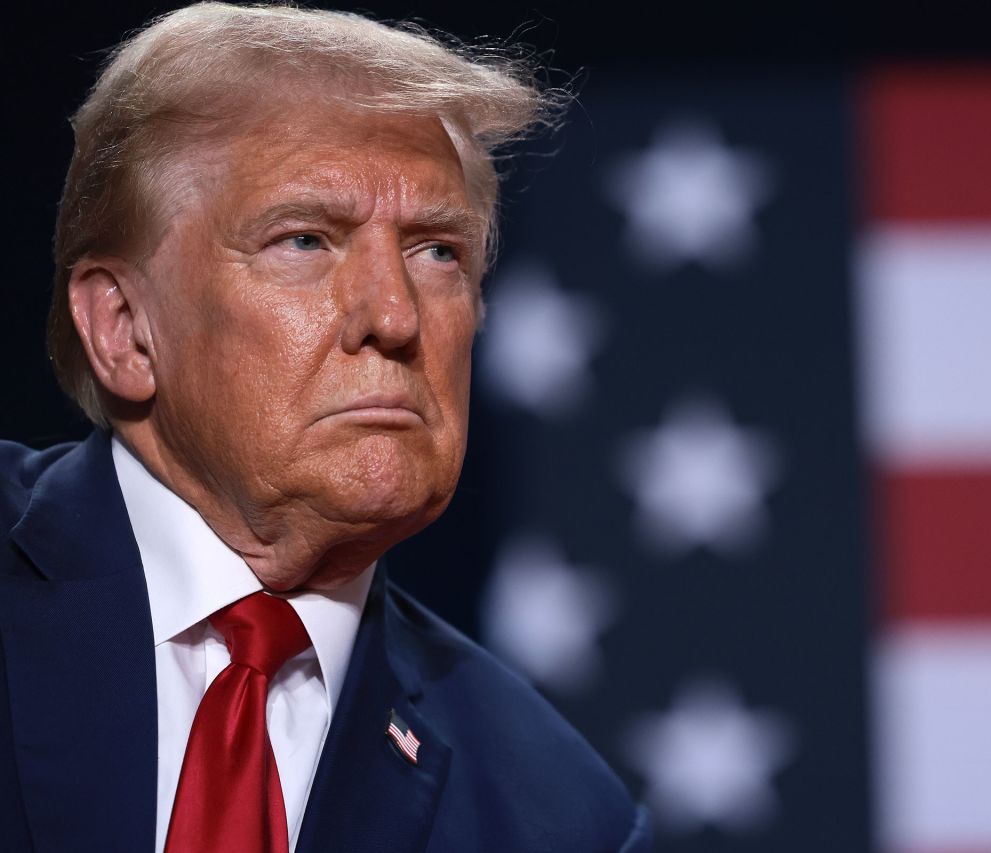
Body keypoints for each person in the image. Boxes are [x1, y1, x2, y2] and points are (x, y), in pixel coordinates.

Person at [0, 3, 651, 852]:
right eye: (306, 239)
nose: (394, 315)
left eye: (437, 252)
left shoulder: (557, 815)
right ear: (125, 328)